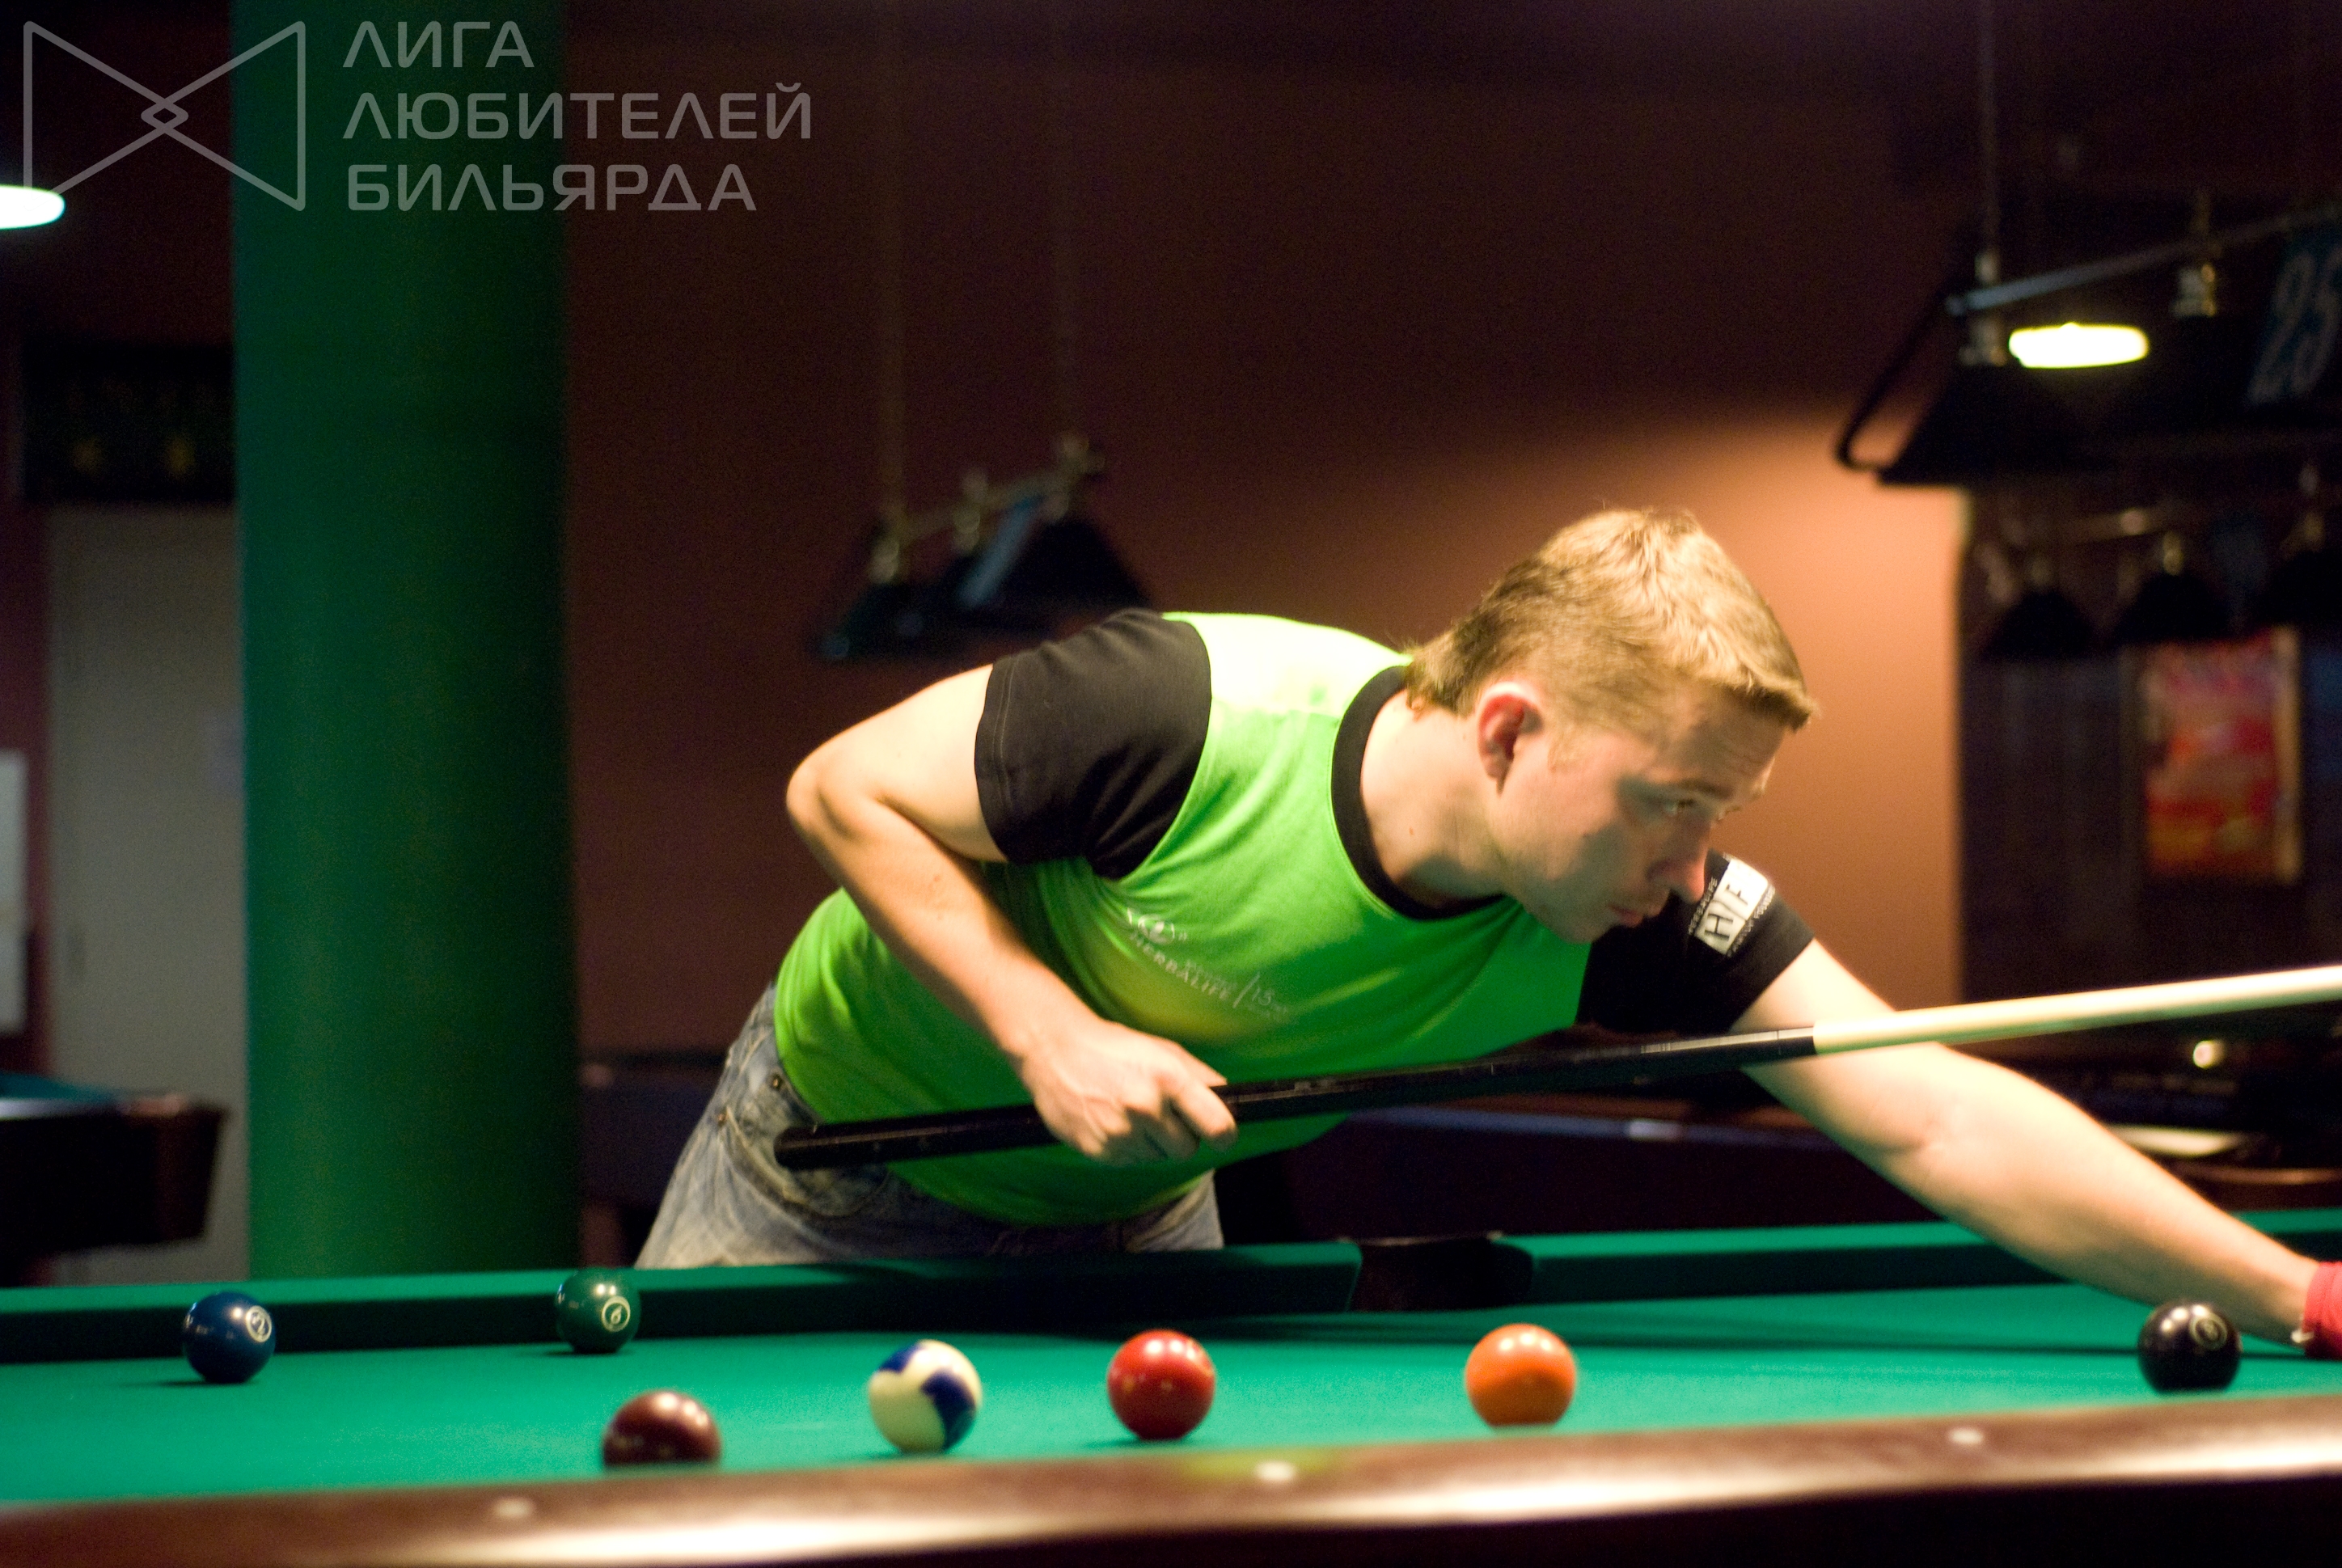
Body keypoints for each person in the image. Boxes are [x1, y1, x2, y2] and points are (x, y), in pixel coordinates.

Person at [640, 506, 2340, 1353]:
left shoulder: (1630, 906)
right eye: (1671, 800)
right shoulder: (1185, 711)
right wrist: (1046, 1031)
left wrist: (2301, 1293)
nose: (1696, 862)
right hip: (823, 1176)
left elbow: (1936, 1110)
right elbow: (843, 788)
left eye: (1721, 812)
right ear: (1511, 731)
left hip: (1129, 1222)